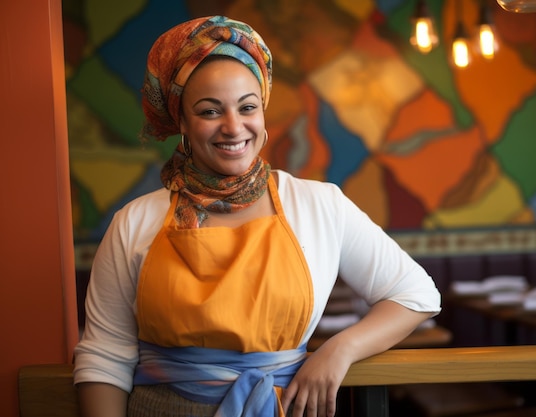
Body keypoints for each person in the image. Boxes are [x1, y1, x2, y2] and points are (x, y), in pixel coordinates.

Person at [73, 15, 441, 417]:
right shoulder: (134, 222)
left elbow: (416, 296)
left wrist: (339, 350)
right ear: (181, 120)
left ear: (263, 111)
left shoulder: (319, 205)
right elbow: (105, 357)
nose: (234, 127)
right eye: (210, 111)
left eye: (247, 107)